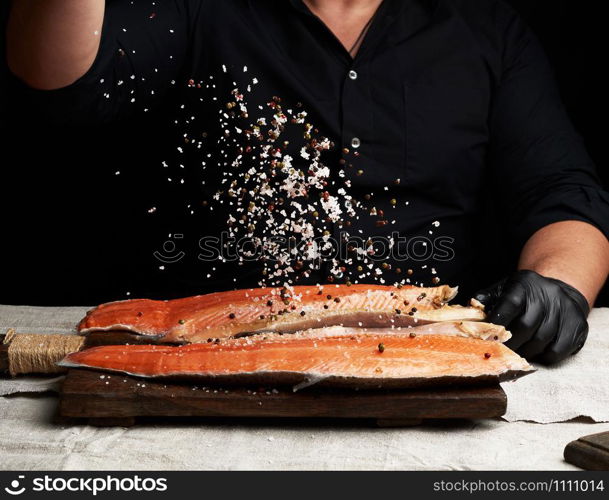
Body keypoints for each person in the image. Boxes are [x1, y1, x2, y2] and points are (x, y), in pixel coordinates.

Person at [7, 0, 609, 363]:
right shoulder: (200, 9)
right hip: (206, 352)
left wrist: (557, 288)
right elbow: (60, 80)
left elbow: (561, 191)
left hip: (421, 353)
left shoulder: (484, 28)